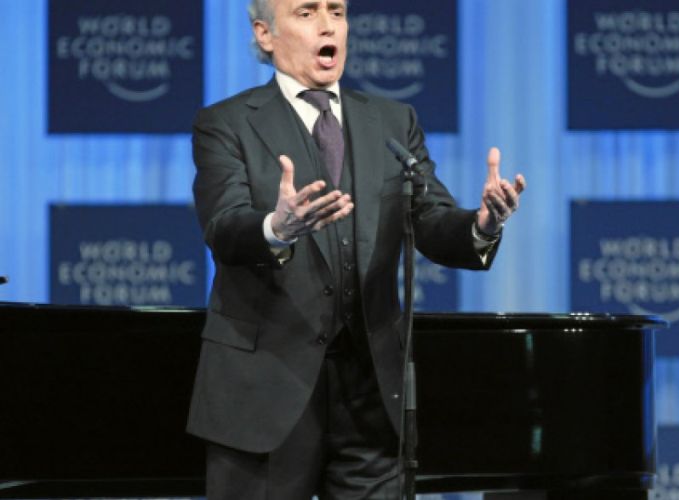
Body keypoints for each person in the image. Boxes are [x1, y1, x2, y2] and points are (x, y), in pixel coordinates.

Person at [187, 0, 526, 498]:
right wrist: (277, 227)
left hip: (372, 396)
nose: (328, 25)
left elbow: (431, 220)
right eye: (307, 13)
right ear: (264, 34)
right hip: (266, 392)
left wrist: (482, 223)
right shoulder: (227, 122)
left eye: (337, 11)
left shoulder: (392, 121)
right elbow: (223, 226)